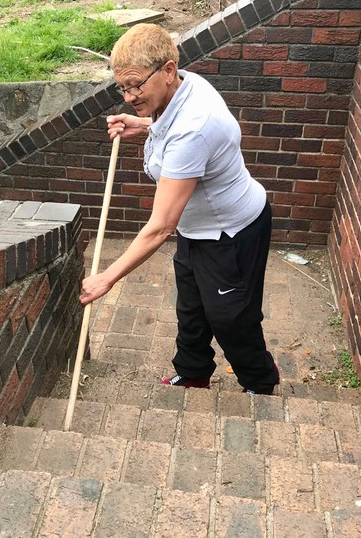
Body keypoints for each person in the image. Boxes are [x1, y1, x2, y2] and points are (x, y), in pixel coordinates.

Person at [79, 24, 280, 395]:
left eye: (136, 85)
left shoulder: (192, 128)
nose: (128, 96)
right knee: (191, 308)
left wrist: (107, 277)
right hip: (197, 229)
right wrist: (143, 124)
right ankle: (193, 371)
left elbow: (160, 226)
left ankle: (260, 382)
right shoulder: (183, 87)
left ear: (168, 70)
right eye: (122, 87)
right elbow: (170, 127)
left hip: (230, 234)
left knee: (231, 317)